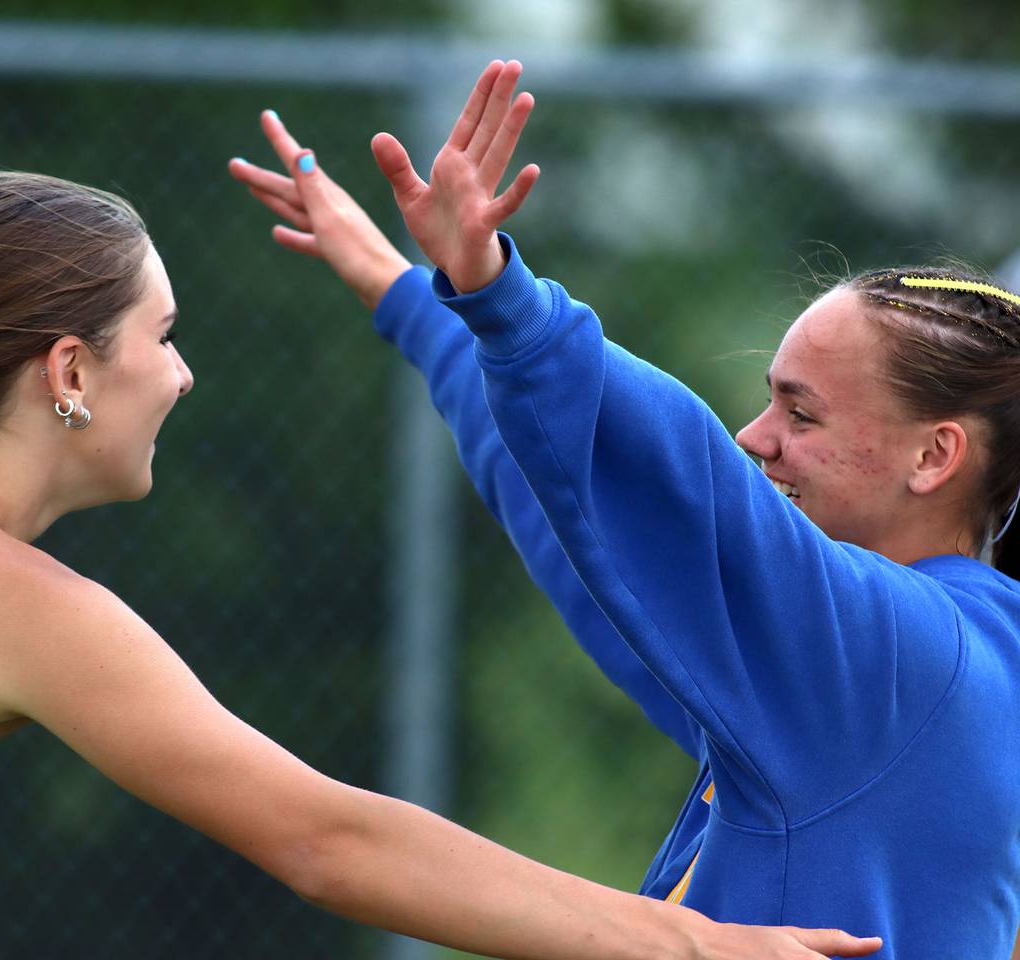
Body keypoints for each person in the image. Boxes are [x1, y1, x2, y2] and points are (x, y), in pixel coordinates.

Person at [0, 166, 883, 960]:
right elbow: (326, 839)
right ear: (72, 375)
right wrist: (687, 943)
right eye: (166, 333)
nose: (186, 373)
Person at [231, 58, 1020, 958]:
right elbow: (590, 538)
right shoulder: (937, 659)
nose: (753, 438)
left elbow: (678, 475)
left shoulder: (889, 663)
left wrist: (502, 297)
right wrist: (408, 291)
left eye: (801, 413)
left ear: (935, 455)